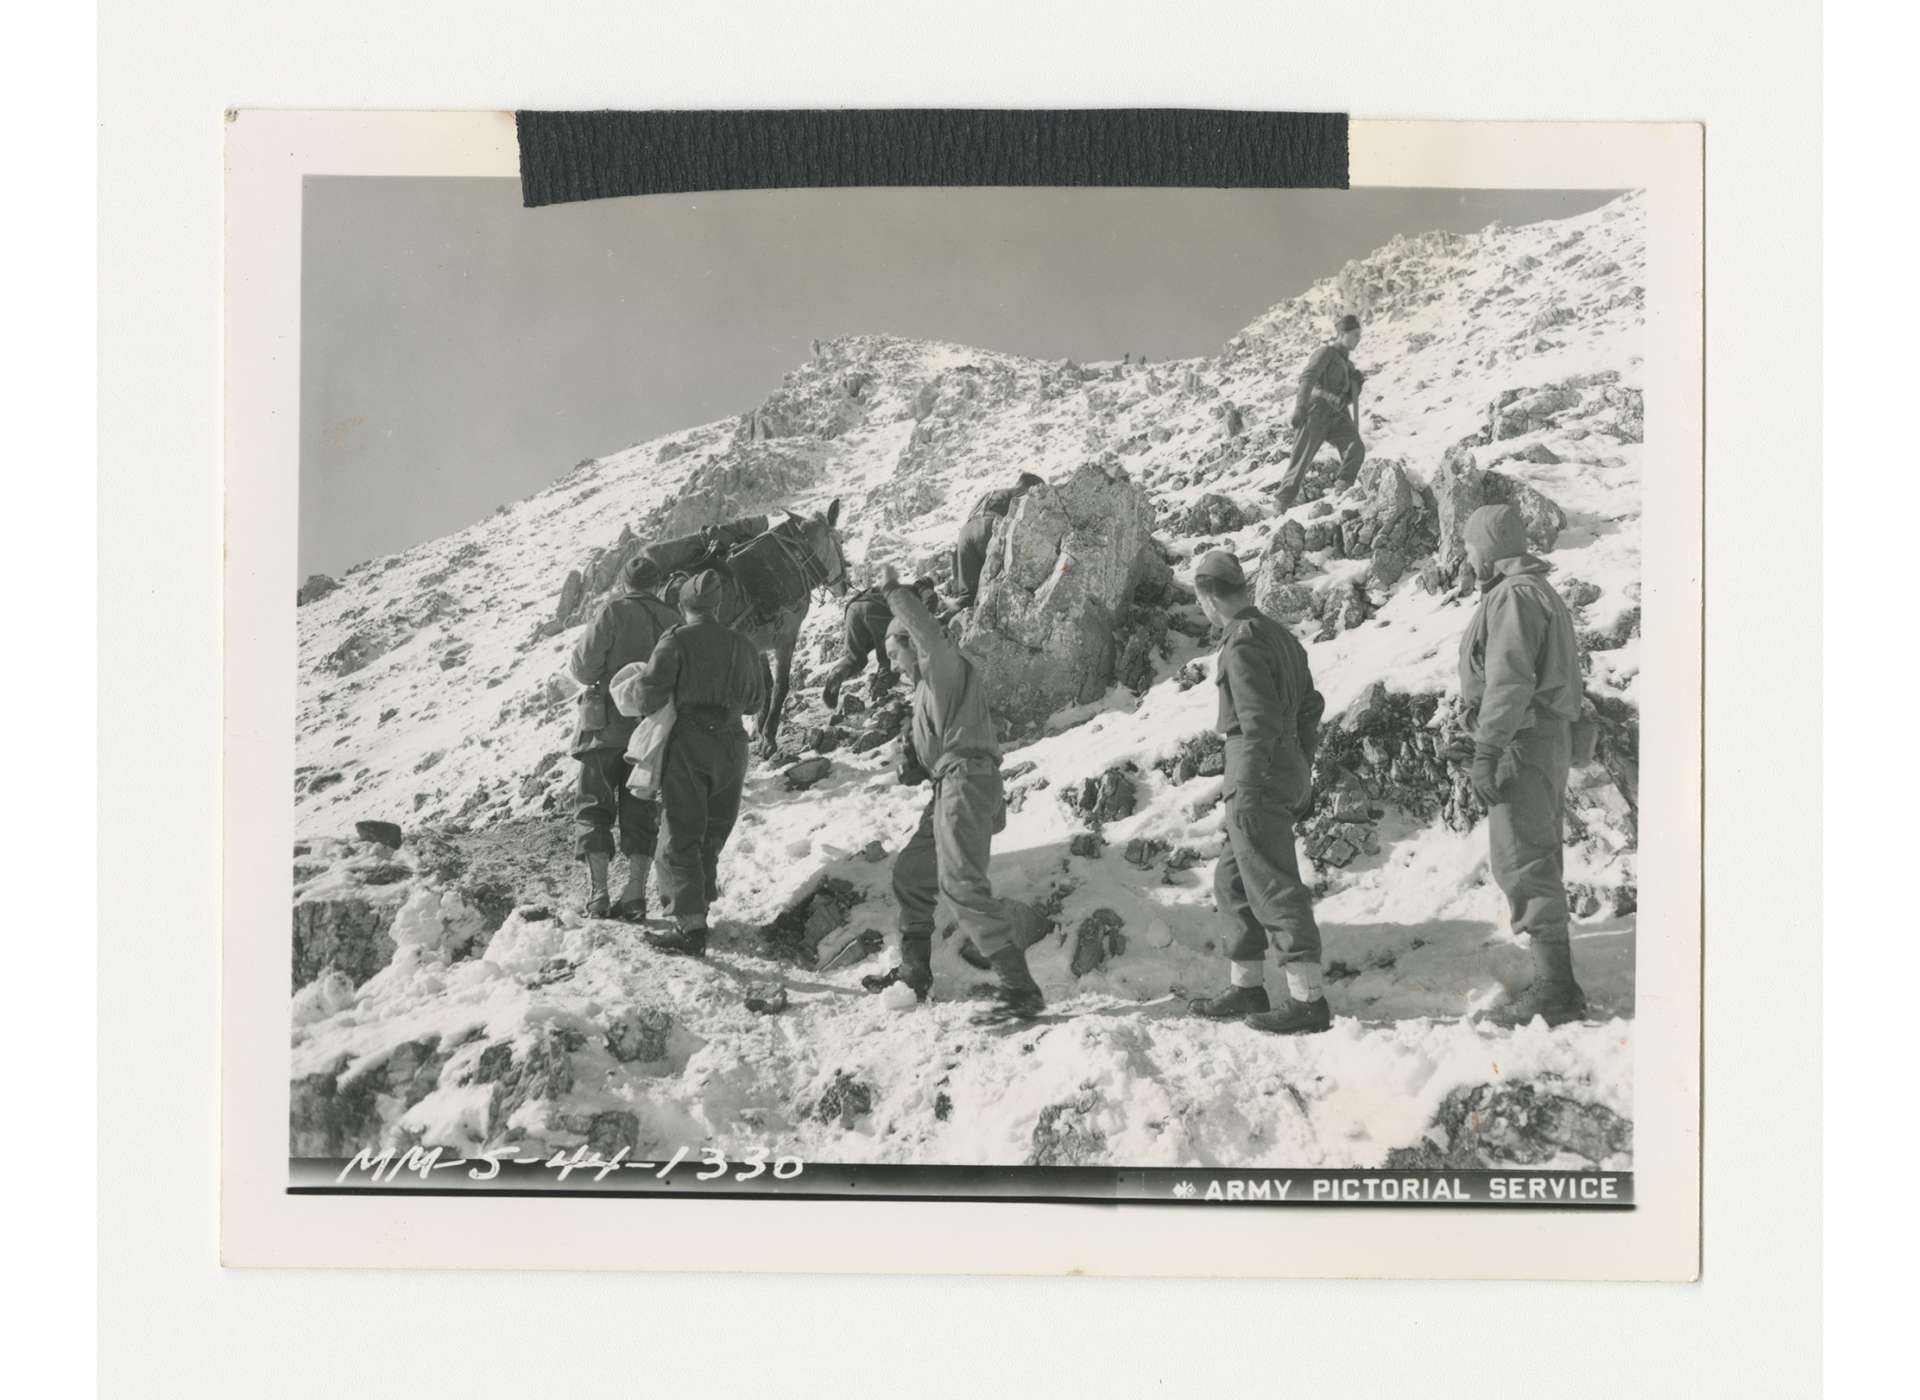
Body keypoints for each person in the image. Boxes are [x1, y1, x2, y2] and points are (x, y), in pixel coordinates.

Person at [869, 563, 1048, 1022]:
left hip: (965, 783)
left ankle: (1019, 988)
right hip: (949, 786)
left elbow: (929, 635)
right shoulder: (928, 690)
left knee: (960, 884)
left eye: (894, 653)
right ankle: (914, 973)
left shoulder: (944, 667)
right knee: (912, 873)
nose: (892, 665)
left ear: (912, 644)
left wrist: (893, 592)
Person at [1186, 550, 1332, 1035]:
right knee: (1233, 880)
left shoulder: (1242, 642)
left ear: (1208, 598)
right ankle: (1247, 986)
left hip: (1256, 771)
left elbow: (1258, 721)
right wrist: (1300, 766)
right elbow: (1311, 706)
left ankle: (1308, 999)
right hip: (1284, 766)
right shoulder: (1279, 635)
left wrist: (1253, 779)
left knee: (1270, 881)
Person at [1455, 504, 1587, 1026]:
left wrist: (1487, 748)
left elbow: (1510, 681)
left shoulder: (1511, 597)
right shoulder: (1536, 591)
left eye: (1469, 548)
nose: (1466, 558)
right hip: (1539, 738)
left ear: (1487, 548)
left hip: (1521, 741)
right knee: (1535, 854)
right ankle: (1555, 981)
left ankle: (1557, 991)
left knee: (1523, 859)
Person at [631, 568, 767, 957]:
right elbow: (757, 702)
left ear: (682, 604)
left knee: (680, 832)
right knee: (714, 828)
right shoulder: (743, 644)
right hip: (735, 745)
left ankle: (690, 925)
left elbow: (649, 698)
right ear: (718, 605)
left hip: (691, 743)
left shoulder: (675, 640)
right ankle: (700, 902)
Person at [566, 554, 682, 919]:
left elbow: (583, 670)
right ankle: (634, 893)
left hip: (603, 728)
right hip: (650, 734)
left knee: (593, 805)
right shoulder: (673, 620)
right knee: (641, 809)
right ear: (657, 584)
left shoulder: (612, 612)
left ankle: (598, 893)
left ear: (625, 584)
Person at [1275, 314, 1367, 511]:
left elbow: (1346, 399)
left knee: (1356, 447)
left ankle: (1343, 490)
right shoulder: (1326, 352)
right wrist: (1300, 406)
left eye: (1360, 336)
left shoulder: (1348, 366)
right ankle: (1281, 504)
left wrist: (1357, 385)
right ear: (1342, 334)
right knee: (1301, 460)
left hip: (1337, 414)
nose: (1358, 340)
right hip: (1316, 410)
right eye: (1355, 335)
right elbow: (1307, 378)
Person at [819, 575, 940, 709]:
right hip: (876, 610)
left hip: (853, 609)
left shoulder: (900, 588)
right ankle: (881, 702)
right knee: (890, 659)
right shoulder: (920, 589)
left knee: (854, 658)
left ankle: (837, 675)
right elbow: (930, 600)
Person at [950, 471, 1045, 608]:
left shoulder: (990, 494)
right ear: (1032, 485)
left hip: (966, 532)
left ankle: (946, 621)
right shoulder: (1023, 493)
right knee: (1003, 586)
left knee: (967, 597)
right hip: (988, 527)